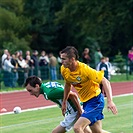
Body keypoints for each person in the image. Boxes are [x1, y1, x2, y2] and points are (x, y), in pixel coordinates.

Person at [60, 46, 118, 133]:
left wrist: (110, 101)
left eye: (64, 59)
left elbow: (105, 81)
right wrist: (64, 101)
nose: (62, 61)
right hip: (86, 102)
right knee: (97, 131)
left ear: (72, 59)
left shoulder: (84, 69)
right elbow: (68, 85)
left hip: (95, 100)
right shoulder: (64, 69)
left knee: (77, 127)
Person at [24, 75, 92, 133]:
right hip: (74, 109)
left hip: (74, 111)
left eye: (30, 90)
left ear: (37, 86)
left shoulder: (50, 93)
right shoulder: (47, 86)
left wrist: (79, 112)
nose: (30, 93)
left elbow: (72, 95)